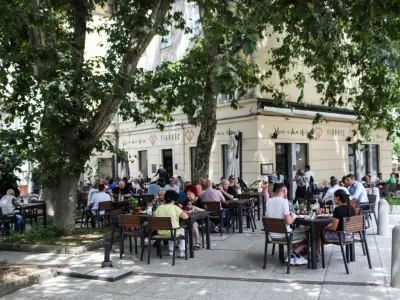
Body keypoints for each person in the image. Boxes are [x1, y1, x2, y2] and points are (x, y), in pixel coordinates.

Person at [265, 183, 308, 265]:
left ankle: (296, 256)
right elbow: (289, 221)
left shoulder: (268, 201)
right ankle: (292, 255)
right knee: (308, 234)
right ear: (284, 191)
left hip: (272, 235)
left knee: (295, 231)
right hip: (285, 235)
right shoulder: (284, 202)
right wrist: (294, 217)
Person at [154, 190, 189, 257]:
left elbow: (154, 218)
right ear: (174, 200)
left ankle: (171, 251)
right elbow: (186, 217)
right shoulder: (175, 208)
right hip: (173, 232)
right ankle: (181, 251)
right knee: (181, 229)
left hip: (161, 232)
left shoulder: (159, 208)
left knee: (171, 228)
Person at [184, 184, 205, 250]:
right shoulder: (186, 201)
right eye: (187, 194)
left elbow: (204, 210)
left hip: (199, 219)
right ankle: (181, 243)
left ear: (194, 193)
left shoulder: (199, 200)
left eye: (189, 194)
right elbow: (184, 209)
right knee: (180, 223)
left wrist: (196, 208)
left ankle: (197, 242)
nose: (188, 196)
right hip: (189, 218)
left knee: (194, 224)